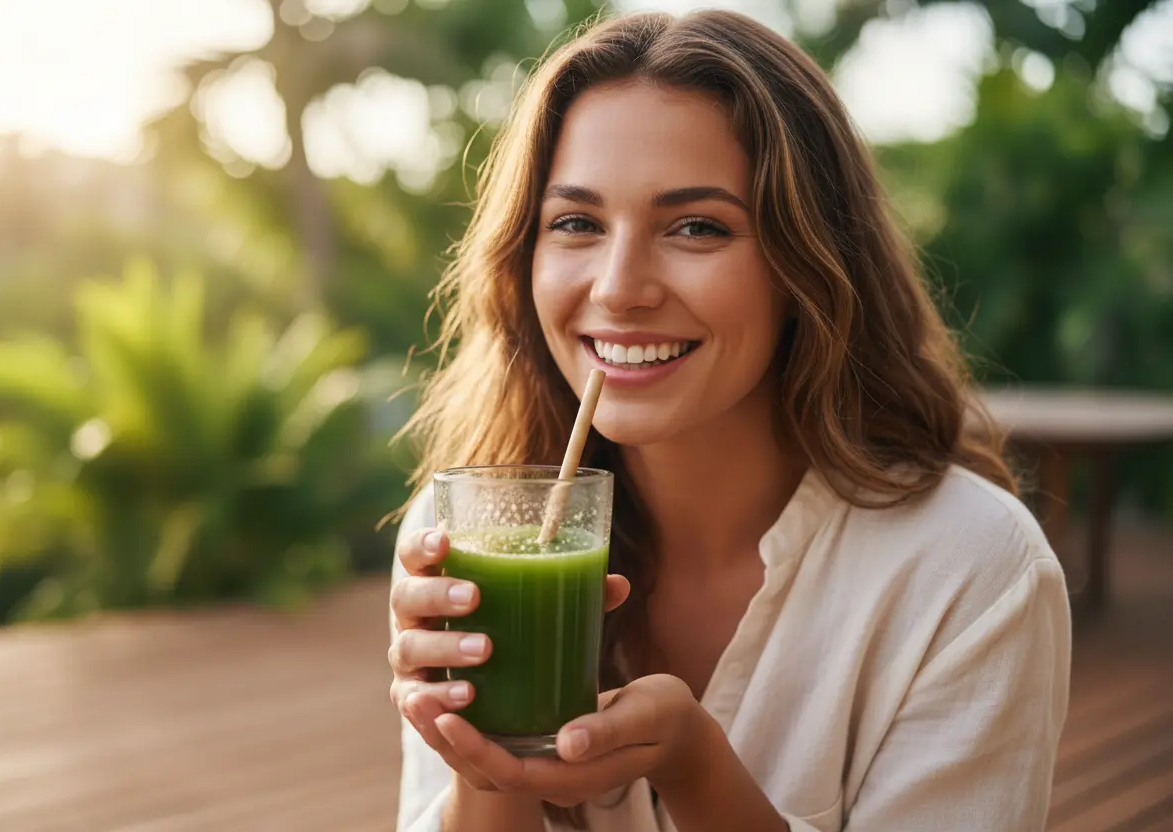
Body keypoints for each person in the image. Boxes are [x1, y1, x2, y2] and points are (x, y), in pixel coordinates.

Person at [386, 8, 1071, 832]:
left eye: (696, 227)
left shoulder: (970, 569)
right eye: (576, 223)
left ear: (808, 264)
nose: (619, 288)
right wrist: (487, 754)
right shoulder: (463, 538)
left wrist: (696, 769)